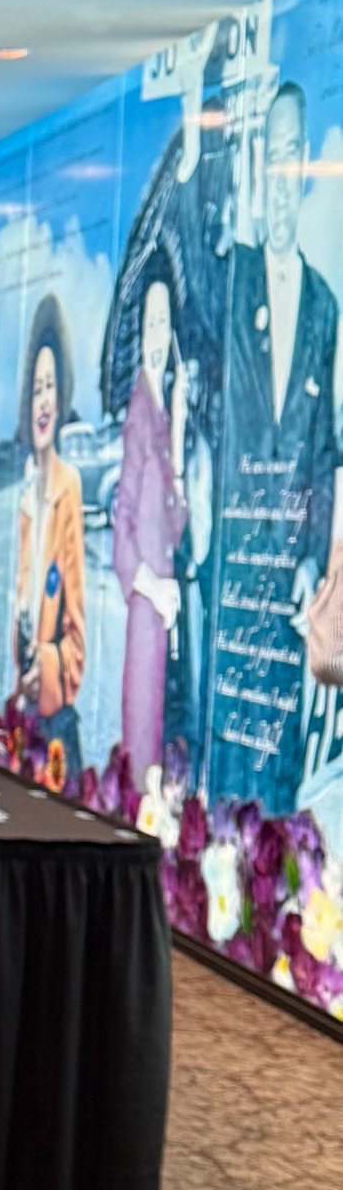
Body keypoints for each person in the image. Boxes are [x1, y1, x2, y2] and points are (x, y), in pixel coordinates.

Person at [209, 88, 341, 812]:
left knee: (277, 766)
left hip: (288, 583)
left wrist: (313, 561)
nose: (280, 172)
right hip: (234, 581)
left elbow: (323, 452)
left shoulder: (324, 304)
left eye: (292, 153)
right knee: (229, 759)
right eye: (270, 154)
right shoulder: (233, 283)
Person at [114, 275, 189, 790]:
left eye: (165, 323)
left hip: (162, 604)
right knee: (143, 737)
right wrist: (150, 584)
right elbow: (123, 522)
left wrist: (180, 435)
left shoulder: (162, 411)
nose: (158, 335)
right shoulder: (141, 414)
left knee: (159, 734)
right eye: (151, 324)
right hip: (148, 606)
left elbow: (174, 522)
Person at [11, 296, 88, 779]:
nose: (43, 399)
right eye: (36, 387)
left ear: (61, 400)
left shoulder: (69, 488)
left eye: (51, 386)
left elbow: (75, 635)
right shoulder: (23, 501)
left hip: (53, 722)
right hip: (23, 710)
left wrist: (47, 667)